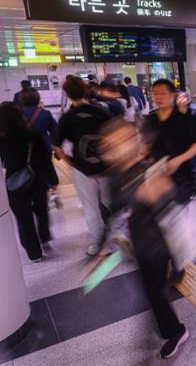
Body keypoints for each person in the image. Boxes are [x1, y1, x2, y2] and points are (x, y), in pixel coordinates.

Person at [99, 118, 189, 358]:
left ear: (133, 140)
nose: (112, 150)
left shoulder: (148, 171)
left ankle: (176, 330)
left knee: (153, 291)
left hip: (155, 247)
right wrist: (103, 249)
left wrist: (160, 192)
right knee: (149, 290)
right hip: (135, 246)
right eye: (109, 145)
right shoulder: (115, 175)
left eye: (119, 142)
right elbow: (114, 216)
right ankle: (163, 322)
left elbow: (170, 202)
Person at [53, 76, 113, 255]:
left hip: (82, 169)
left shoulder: (67, 118)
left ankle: (97, 245)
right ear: (86, 90)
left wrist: (70, 163)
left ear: (67, 94)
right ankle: (115, 241)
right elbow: (116, 135)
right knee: (110, 204)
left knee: (91, 208)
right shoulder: (100, 111)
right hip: (106, 167)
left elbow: (57, 146)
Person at [0, 103, 53, 261]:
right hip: (36, 176)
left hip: (14, 180)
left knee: (24, 219)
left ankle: (34, 253)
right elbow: (45, 155)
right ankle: (44, 237)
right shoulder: (31, 133)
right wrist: (52, 179)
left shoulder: (1, 138)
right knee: (41, 210)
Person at [142, 79, 196, 207]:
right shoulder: (149, 120)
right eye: (155, 93)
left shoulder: (184, 119)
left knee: (181, 219)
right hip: (156, 180)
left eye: (162, 93)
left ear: (172, 95)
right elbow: (145, 147)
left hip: (181, 179)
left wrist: (178, 160)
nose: (158, 97)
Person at [19, 88, 61, 208]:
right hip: (44, 146)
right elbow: (55, 131)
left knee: (30, 169)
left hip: (25, 147)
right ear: (37, 98)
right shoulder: (45, 113)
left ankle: (35, 195)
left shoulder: (18, 114)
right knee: (46, 167)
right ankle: (49, 190)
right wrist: (56, 147)